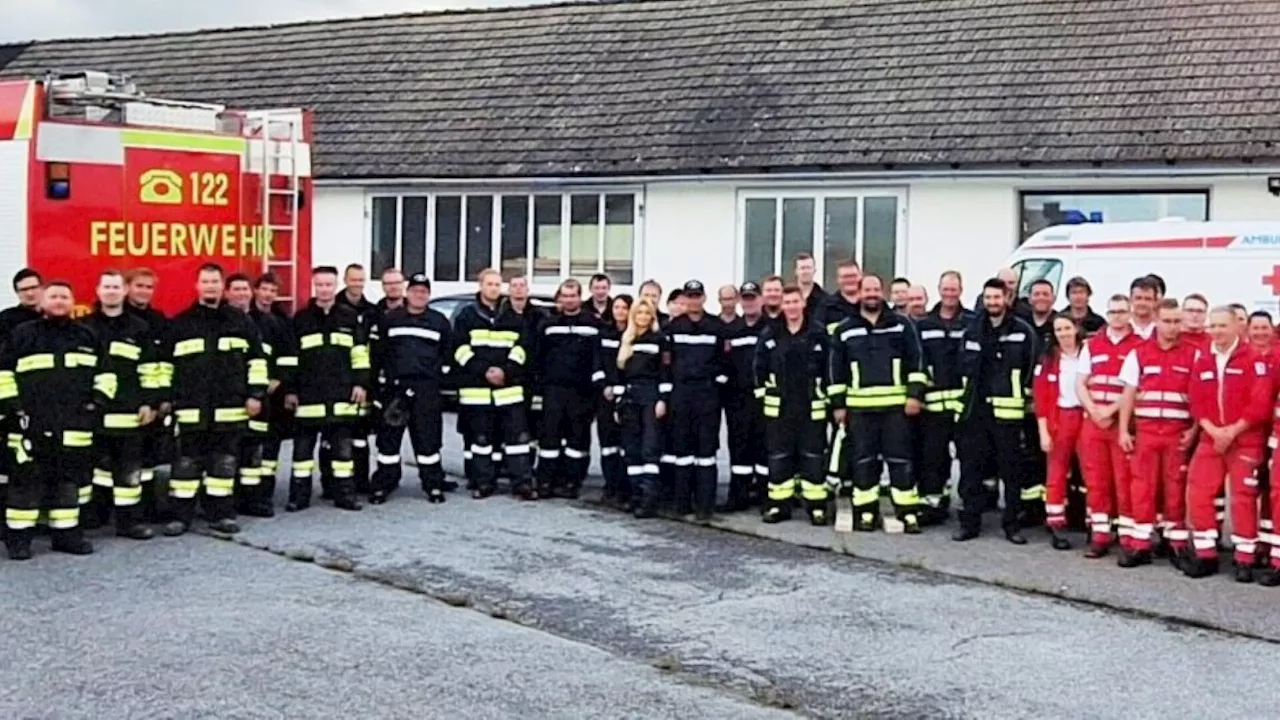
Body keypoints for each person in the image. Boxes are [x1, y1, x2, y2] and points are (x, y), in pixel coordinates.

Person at [160, 264, 267, 537]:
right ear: (197, 286)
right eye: (205, 282)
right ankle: (180, 517)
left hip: (229, 409)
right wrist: (166, 400)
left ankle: (221, 514)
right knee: (185, 465)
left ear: (223, 287)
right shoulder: (181, 323)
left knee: (224, 463)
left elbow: (256, 361)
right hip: (191, 409)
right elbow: (165, 367)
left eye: (215, 282)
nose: (210, 286)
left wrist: (255, 394)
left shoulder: (241, 321)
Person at [0, 281, 102, 559]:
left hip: (73, 425)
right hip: (31, 423)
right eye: (53, 296)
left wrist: (97, 403)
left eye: (64, 296)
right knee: (25, 484)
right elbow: (4, 374)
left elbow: (106, 376)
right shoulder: (22, 334)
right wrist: (14, 408)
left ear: (72, 302)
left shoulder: (86, 335)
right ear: (43, 302)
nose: (59, 301)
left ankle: (66, 535)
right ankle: (19, 540)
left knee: (68, 483)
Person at [829, 275, 928, 532]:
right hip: (860, 410)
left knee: (900, 461)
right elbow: (835, 371)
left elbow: (916, 362)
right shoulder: (845, 329)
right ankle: (865, 511)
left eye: (875, 289)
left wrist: (914, 396)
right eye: (867, 289)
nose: (872, 294)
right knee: (864, 461)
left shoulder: (902, 325)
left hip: (896, 409)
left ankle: (907, 511)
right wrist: (839, 405)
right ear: (859, 293)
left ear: (882, 292)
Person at [1185, 306, 1271, 580]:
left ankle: (1244, 558)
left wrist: (1232, 432)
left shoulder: (1254, 359)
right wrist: (1214, 430)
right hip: (1212, 438)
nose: (1217, 331)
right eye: (1214, 326)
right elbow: (1196, 400)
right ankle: (1205, 554)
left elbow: (1260, 403)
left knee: (1243, 498)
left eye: (1223, 325)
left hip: (1244, 439)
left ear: (1237, 327)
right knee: (1199, 493)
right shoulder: (1205, 360)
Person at [953, 277, 1038, 544]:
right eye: (988, 298)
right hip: (975, 413)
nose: (992, 302)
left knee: (1011, 472)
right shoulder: (971, 331)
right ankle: (970, 524)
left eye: (997, 298)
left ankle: (1011, 525)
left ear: (1007, 299)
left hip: (1008, 415)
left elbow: (1031, 368)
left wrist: (1024, 398)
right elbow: (960, 368)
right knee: (971, 471)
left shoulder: (1022, 331)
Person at [1117, 298, 1198, 568]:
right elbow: (1128, 393)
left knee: (1175, 487)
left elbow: (1201, 397)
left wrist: (1195, 430)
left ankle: (1176, 543)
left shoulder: (1193, 354)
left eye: (1177, 321)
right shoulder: (1139, 353)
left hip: (1177, 433)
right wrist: (1123, 430)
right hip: (1147, 432)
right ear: (1156, 320)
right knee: (1142, 486)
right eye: (1167, 321)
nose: (1172, 327)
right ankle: (1140, 544)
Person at [281, 267, 370, 512]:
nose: (324, 290)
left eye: (328, 285)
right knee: (302, 454)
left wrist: (361, 383)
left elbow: (360, 354)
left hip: (341, 395)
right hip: (309, 396)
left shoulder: (349, 317)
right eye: (319, 285)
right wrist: (290, 390)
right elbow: (290, 359)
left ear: (336, 285)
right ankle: (298, 497)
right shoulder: (300, 319)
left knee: (343, 452)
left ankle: (345, 496)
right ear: (313, 286)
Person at [80, 270, 160, 540]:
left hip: (129, 411)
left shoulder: (139, 328)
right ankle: (95, 517)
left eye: (116, 286)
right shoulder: (84, 327)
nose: (112, 291)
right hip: (94, 411)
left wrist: (150, 403)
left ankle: (129, 522)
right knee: (96, 468)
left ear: (124, 291)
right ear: (98, 291)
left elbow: (151, 369)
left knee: (129, 468)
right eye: (107, 286)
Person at [369, 273, 453, 504]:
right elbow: (378, 354)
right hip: (396, 388)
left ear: (428, 295)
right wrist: (378, 387)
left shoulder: (439, 321)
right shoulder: (390, 319)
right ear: (407, 292)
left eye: (423, 291)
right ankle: (384, 483)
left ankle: (432, 484)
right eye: (415, 290)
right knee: (388, 441)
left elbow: (448, 355)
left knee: (428, 441)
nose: (419, 295)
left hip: (426, 389)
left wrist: (438, 380)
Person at [453, 268, 534, 499]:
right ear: (480, 285)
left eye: (498, 285)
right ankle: (484, 483)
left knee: (517, 441)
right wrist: (484, 371)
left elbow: (523, 349)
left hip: (508, 390)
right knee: (481, 441)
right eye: (490, 284)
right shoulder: (466, 316)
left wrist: (505, 372)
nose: (494, 289)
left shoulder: (513, 317)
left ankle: (522, 484)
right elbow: (458, 350)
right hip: (477, 391)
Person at [1075, 293, 1143, 557]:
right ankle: (1100, 535)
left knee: (1124, 480)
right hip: (1094, 423)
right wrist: (1093, 410)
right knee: (1096, 480)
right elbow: (1080, 382)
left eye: (1122, 311)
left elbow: (1134, 387)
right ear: (1107, 313)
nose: (1117, 317)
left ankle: (1127, 536)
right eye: (1113, 312)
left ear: (1130, 313)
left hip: (1121, 422)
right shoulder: (1092, 344)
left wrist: (1110, 411)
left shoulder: (1139, 345)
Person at [757, 285, 832, 525]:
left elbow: (830, 369)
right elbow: (759, 368)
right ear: (782, 306)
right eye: (786, 302)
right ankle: (779, 505)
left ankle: (817, 506)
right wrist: (765, 397)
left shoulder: (818, 333)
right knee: (780, 458)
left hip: (812, 407)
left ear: (803, 304)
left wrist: (828, 398)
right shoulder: (771, 334)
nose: (790, 307)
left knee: (813, 457)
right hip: (780, 409)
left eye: (794, 302)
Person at [660, 280, 728, 520]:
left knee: (706, 452)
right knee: (683, 451)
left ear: (704, 298)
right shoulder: (672, 328)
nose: (694, 300)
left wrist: (716, 386)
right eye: (690, 296)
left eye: (697, 295)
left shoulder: (716, 327)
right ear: (684, 299)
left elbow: (723, 362)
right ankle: (682, 503)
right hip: (681, 395)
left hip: (707, 396)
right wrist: (667, 396)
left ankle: (705, 505)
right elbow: (666, 365)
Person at [533, 278, 602, 499]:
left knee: (577, 440)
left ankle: (572, 482)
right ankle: (546, 481)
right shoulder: (548, 325)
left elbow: (598, 359)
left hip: (582, 392)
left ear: (580, 298)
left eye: (574, 296)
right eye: (566, 296)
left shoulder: (593, 324)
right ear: (559, 298)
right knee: (549, 438)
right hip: (554, 390)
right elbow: (538, 359)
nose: (570, 300)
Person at [916, 270, 973, 524]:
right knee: (933, 458)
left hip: (965, 406)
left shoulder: (972, 322)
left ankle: (968, 508)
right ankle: (933, 504)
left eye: (954, 289)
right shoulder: (924, 324)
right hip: (934, 407)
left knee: (970, 458)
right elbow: (917, 363)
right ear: (939, 290)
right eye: (946, 289)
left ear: (961, 291)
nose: (950, 294)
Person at [1033, 314, 1086, 550]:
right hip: (1060, 419)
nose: (1063, 333)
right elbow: (1041, 399)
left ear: (1075, 329)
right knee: (1056, 474)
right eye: (1058, 329)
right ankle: (1056, 525)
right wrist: (1043, 432)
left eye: (1067, 328)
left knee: (1093, 473)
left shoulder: (1089, 354)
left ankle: (1096, 526)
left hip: (1086, 418)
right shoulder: (1048, 360)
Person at [224, 273, 273, 518]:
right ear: (227, 293)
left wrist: (266, 386)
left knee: (252, 450)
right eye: (236, 289)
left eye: (245, 289)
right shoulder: (219, 321)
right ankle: (227, 500)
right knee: (226, 451)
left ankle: (252, 500)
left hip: (255, 397)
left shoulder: (263, 322)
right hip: (227, 397)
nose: (242, 293)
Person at [245, 273, 294, 517]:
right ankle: (246, 495)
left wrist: (281, 379)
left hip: (272, 396)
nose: (267, 295)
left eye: (272, 291)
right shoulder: (245, 318)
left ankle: (265, 495)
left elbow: (288, 355)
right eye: (263, 289)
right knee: (248, 446)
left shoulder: (281, 320)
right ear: (255, 291)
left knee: (270, 449)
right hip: (249, 393)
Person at [123, 267, 168, 521]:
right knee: (116, 461)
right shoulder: (120, 319)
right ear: (128, 287)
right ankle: (109, 511)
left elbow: (164, 363)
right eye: (139, 285)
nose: (144, 291)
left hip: (151, 403)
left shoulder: (159, 320)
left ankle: (149, 508)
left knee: (149, 459)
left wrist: (161, 399)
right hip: (123, 402)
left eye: (149, 287)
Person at [720, 281, 769, 511]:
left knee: (763, 449)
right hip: (737, 399)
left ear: (761, 299)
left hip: (764, 399)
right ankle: (737, 496)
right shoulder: (731, 330)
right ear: (740, 301)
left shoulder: (770, 328)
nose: (749, 303)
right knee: (738, 449)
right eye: (746, 298)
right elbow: (724, 364)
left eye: (753, 298)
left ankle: (764, 497)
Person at [614, 299, 665, 518]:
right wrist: (619, 401)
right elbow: (620, 375)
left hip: (650, 396)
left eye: (647, 313)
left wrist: (662, 399)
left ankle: (649, 499)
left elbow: (665, 371)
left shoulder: (659, 340)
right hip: (630, 397)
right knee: (631, 448)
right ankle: (636, 495)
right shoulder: (627, 341)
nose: (643, 316)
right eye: (639, 312)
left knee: (649, 447)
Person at [334, 263, 380, 498]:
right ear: (345, 279)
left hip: (365, 382)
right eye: (354, 280)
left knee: (360, 437)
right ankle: (332, 485)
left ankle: (361, 482)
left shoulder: (372, 311)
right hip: (338, 382)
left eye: (361, 280)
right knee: (334, 437)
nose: (357, 284)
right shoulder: (334, 308)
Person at [502, 275, 546, 488]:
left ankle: (529, 468)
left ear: (528, 290)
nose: (518, 290)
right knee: (512, 426)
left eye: (522, 286)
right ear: (509, 290)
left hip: (534, 380)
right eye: (514, 286)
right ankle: (513, 471)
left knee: (534, 426)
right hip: (509, 380)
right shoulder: (501, 316)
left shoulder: (539, 316)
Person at [597, 294, 632, 506]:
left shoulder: (634, 336)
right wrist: (603, 386)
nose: (619, 311)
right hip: (606, 397)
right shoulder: (605, 333)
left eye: (624, 307)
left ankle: (624, 489)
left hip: (627, 397)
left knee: (625, 444)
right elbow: (597, 363)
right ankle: (610, 486)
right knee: (607, 445)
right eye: (616, 307)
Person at [818, 260, 861, 333]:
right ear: (838, 279)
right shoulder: (826, 307)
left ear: (860, 276)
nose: (850, 280)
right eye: (845, 277)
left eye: (853, 276)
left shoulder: (872, 304)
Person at [0, 268, 43, 338]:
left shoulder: (53, 316)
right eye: (24, 289)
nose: (30, 293)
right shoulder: (5, 318)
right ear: (17, 292)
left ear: (42, 288)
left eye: (34, 287)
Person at [793, 253, 827, 319]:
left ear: (814, 270)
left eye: (808, 268)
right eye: (802, 268)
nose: (805, 271)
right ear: (796, 271)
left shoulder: (825, 300)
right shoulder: (786, 298)